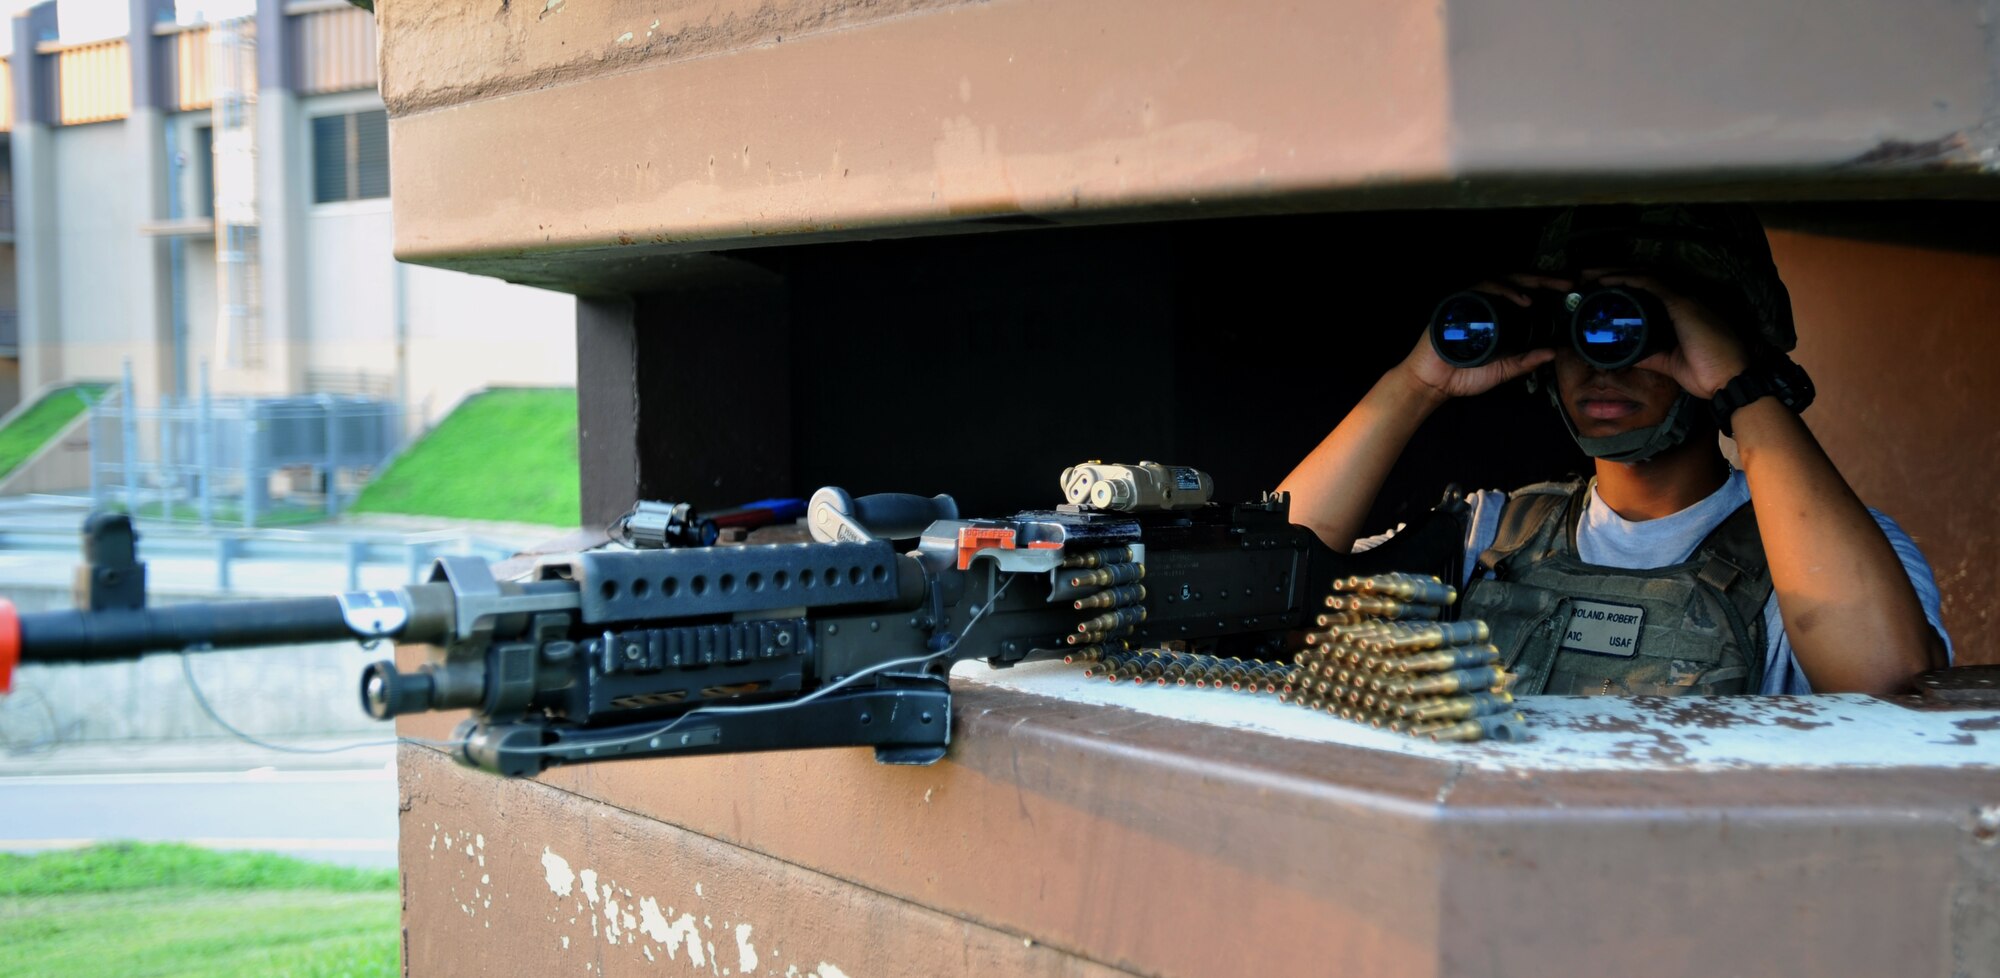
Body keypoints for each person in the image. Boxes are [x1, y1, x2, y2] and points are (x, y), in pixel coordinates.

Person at [1278, 204, 1950, 695]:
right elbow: (1262, 583)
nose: (1603, 364)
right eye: (1579, 326)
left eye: (1634, 328)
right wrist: (1416, 385)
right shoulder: (1492, 535)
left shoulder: (1822, 560)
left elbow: (1890, 687)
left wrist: (1741, 389)